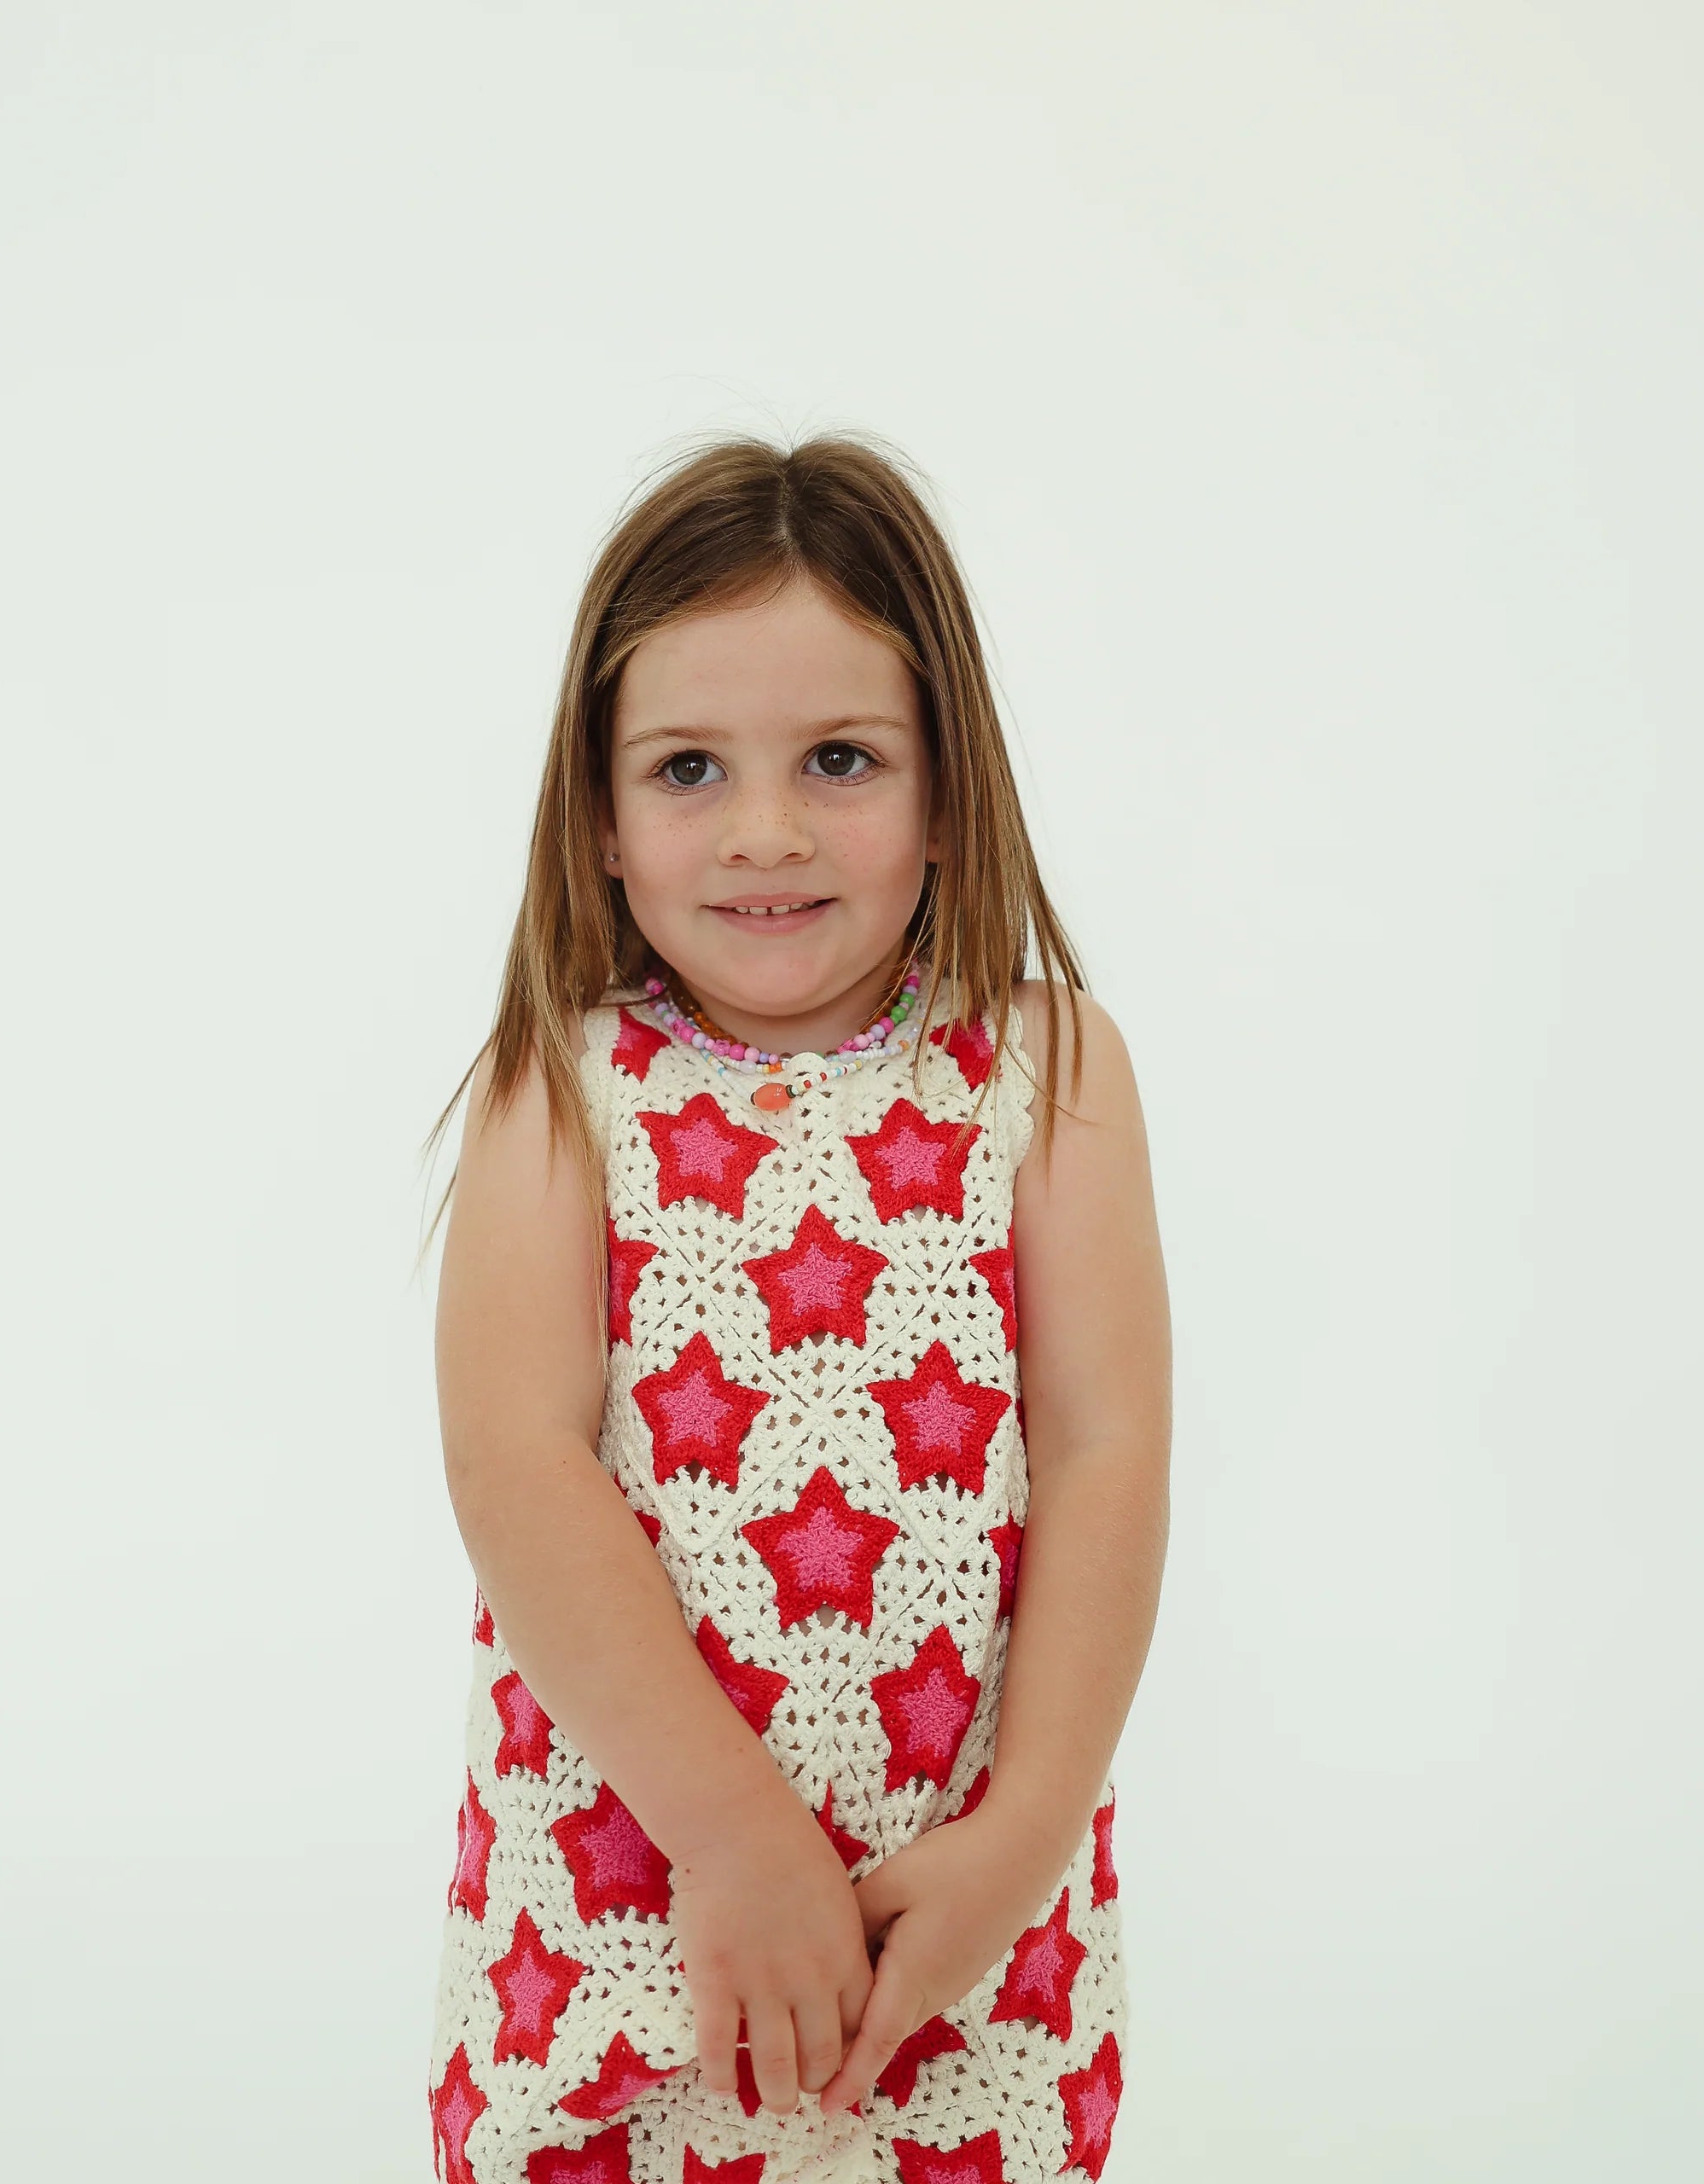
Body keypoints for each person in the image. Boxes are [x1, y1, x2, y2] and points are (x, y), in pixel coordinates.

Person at [420, 431, 1172, 2183]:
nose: (765, 830)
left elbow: (1106, 1444)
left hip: (959, 1900)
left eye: (839, 757)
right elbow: (514, 1464)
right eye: (688, 766)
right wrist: (732, 1833)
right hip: (622, 1888)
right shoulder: (561, 1085)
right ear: (597, 816)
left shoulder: (1043, 1069)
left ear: (944, 788)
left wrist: (1028, 1825)